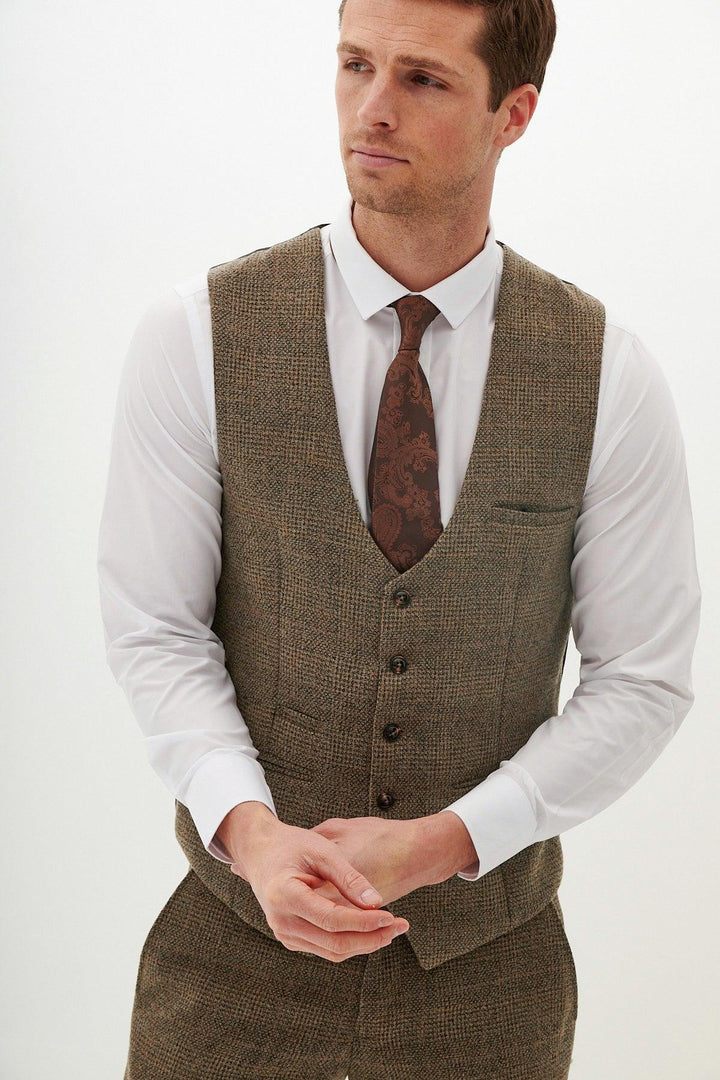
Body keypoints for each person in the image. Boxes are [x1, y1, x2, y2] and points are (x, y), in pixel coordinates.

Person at [97, 0, 701, 1076]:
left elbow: (643, 678)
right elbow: (157, 631)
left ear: (513, 112)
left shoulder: (607, 372)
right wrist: (253, 835)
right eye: (353, 64)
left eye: (422, 80)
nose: (370, 110)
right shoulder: (195, 334)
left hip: (492, 986)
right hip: (225, 972)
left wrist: (447, 842)